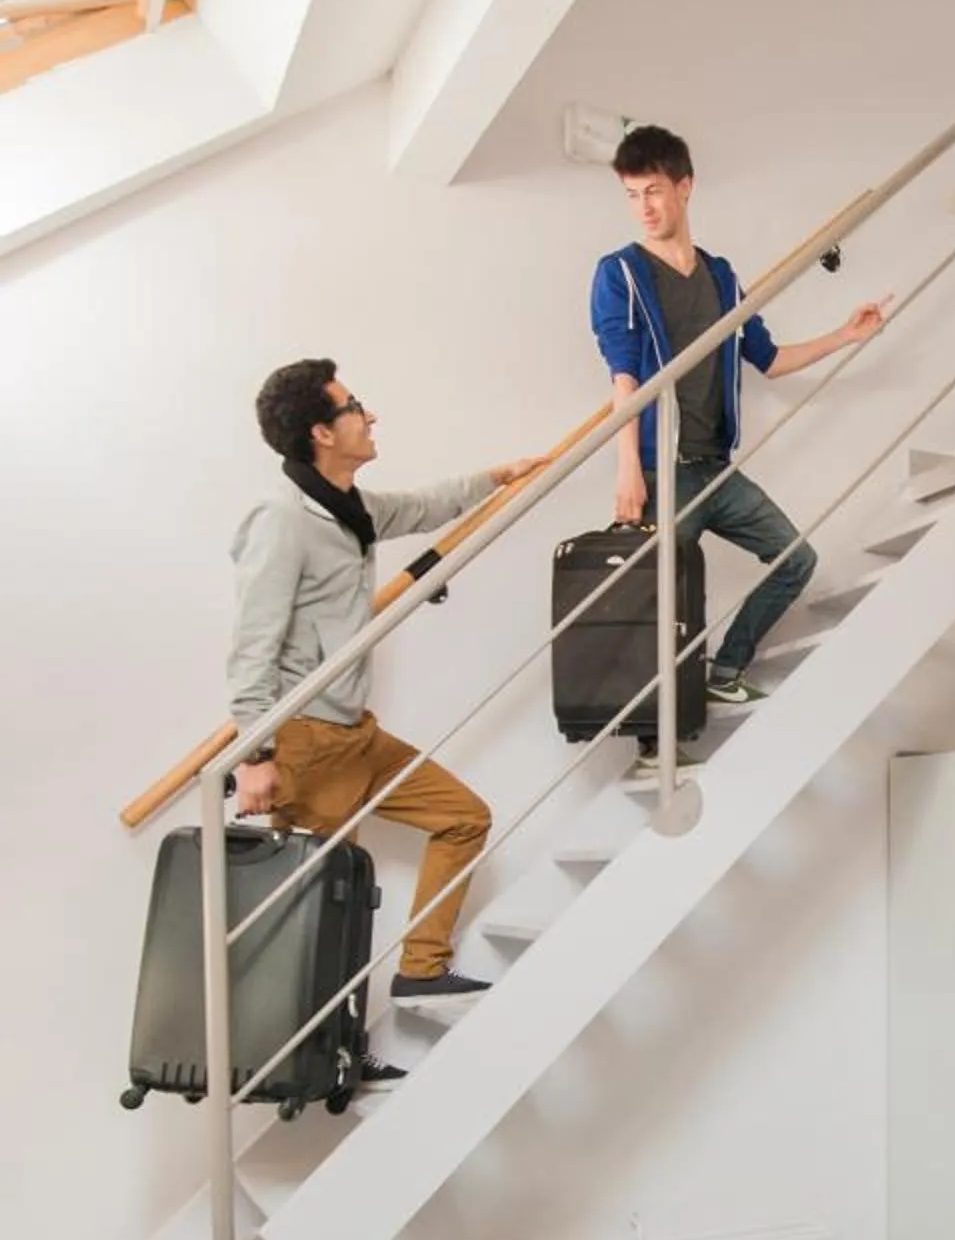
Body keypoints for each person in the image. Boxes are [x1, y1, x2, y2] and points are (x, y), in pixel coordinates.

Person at [229, 361, 539, 1002]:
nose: (369, 416)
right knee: (322, 916)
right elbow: (253, 643)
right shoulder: (282, 518)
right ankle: (328, 1046)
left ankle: (421, 968)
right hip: (307, 742)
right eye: (354, 408)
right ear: (321, 432)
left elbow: (419, 508)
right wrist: (255, 755)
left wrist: (497, 476)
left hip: (355, 733)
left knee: (463, 818)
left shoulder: (348, 507)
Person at [588, 125, 889, 707]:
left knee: (795, 560)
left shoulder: (721, 277)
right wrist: (628, 469)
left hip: (715, 469)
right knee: (660, 609)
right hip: (661, 472)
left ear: (685, 187)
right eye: (632, 195)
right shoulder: (620, 273)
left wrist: (845, 336)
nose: (643, 207)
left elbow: (769, 359)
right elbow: (623, 377)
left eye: (653, 191)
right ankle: (657, 739)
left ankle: (725, 669)